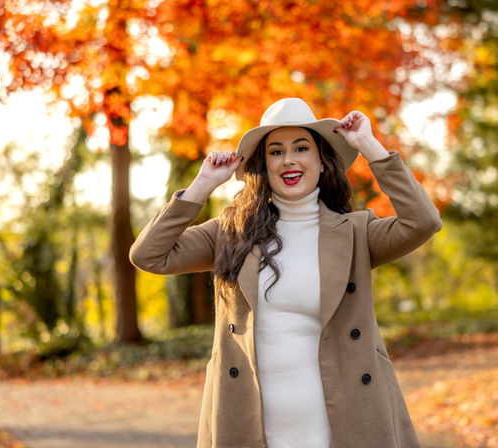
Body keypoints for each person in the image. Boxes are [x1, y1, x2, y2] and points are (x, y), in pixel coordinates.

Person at [129, 97, 442, 448]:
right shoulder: (231, 232)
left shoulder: (356, 232)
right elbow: (148, 255)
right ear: (264, 166)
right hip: (250, 423)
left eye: (301, 148)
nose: (288, 159)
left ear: (322, 162)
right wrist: (203, 184)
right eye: (276, 151)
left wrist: (369, 145)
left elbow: (423, 221)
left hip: (343, 421)